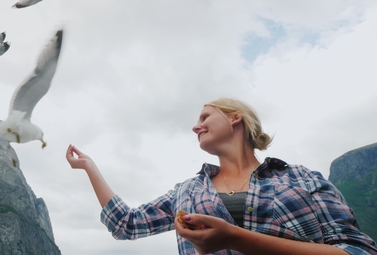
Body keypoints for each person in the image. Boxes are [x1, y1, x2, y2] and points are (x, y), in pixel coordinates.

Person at [66, 98, 377, 254]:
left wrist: (234, 237)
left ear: (235, 118)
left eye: (204, 117)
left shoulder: (301, 179)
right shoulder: (188, 190)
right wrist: (90, 167)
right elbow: (127, 224)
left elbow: (357, 252)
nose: (195, 126)